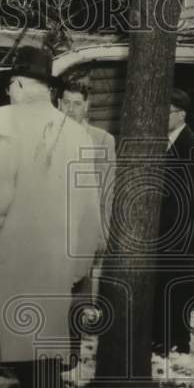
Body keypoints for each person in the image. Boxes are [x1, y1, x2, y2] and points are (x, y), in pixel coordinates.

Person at [0, 46, 102, 388]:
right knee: (39, 347)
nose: (8, 89)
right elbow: (89, 206)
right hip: (58, 258)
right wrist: (80, 260)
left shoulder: (3, 121)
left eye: (10, 82)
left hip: (15, 251)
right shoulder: (76, 130)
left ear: (23, 85)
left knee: (30, 353)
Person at [152, 88, 194, 355]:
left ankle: (178, 341)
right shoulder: (162, 142)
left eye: (167, 112)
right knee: (161, 286)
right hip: (162, 231)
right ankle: (162, 337)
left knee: (177, 289)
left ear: (181, 114)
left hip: (181, 232)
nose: (162, 117)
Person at [57, 79, 115, 352]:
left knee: (80, 286)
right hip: (54, 224)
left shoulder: (101, 139)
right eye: (66, 103)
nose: (70, 109)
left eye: (77, 104)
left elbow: (107, 187)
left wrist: (103, 229)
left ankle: (72, 349)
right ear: (58, 103)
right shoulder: (49, 134)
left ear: (87, 106)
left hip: (84, 225)